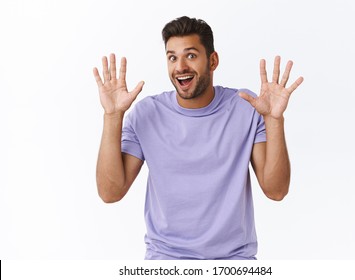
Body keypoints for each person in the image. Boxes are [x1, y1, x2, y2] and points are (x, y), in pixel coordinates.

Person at [93, 16, 303, 260]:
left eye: (191, 55)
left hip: (233, 262)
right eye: (172, 57)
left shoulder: (246, 108)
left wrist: (274, 120)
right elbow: (110, 193)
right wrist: (112, 116)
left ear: (212, 61)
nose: (180, 66)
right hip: (166, 260)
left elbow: (276, 191)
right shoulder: (146, 114)